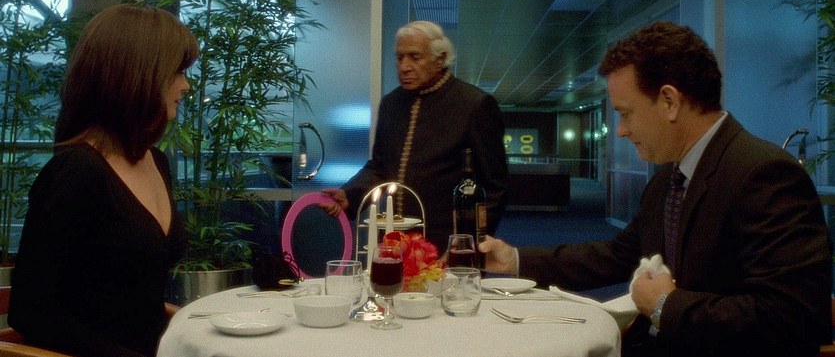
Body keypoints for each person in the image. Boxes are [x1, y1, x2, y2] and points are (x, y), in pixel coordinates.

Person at [479, 21, 832, 357]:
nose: (620, 130)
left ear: (669, 102)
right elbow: (619, 256)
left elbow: (793, 316)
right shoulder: (670, 178)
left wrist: (666, 305)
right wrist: (515, 259)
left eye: (626, 113)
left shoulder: (764, 174)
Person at [9, 4, 197, 357]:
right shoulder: (76, 172)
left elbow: (133, 299)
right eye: (178, 72)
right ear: (140, 75)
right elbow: (30, 311)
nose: (185, 85)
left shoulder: (156, 161)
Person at [319, 20, 509, 250]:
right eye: (400, 58)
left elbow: (495, 188)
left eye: (414, 57)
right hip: (393, 241)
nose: (404, 66)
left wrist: (470, 245)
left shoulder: (475, 105)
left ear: (440, 59)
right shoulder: (391, 104)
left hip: (449, 244)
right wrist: (349, 194)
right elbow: (380, 166)